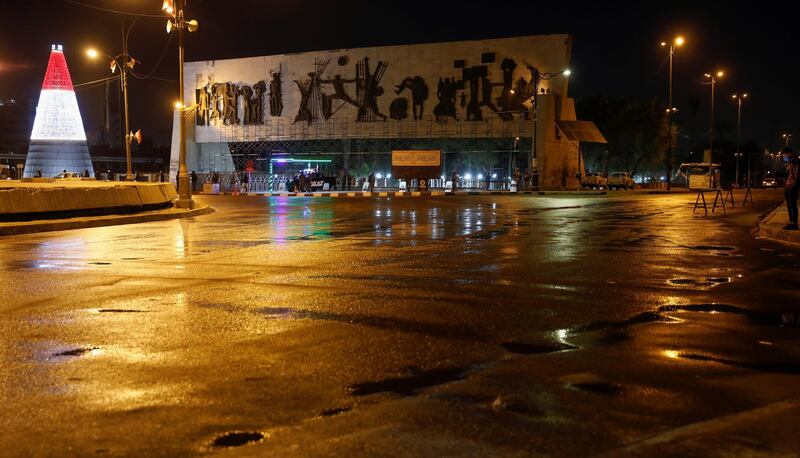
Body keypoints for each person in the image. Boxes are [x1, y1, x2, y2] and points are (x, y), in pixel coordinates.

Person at [783, 147, 799, 230]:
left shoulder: (796, 161)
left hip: (792, 187)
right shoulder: (789, 162)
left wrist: (794, 185)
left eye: (784, 155)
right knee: (789, 205)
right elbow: (788, 175)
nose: (784, 157)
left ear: (789, 153)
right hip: (788, 186)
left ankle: (794, 224)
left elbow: (796, 175)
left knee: (793, 205)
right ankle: (791, 222)